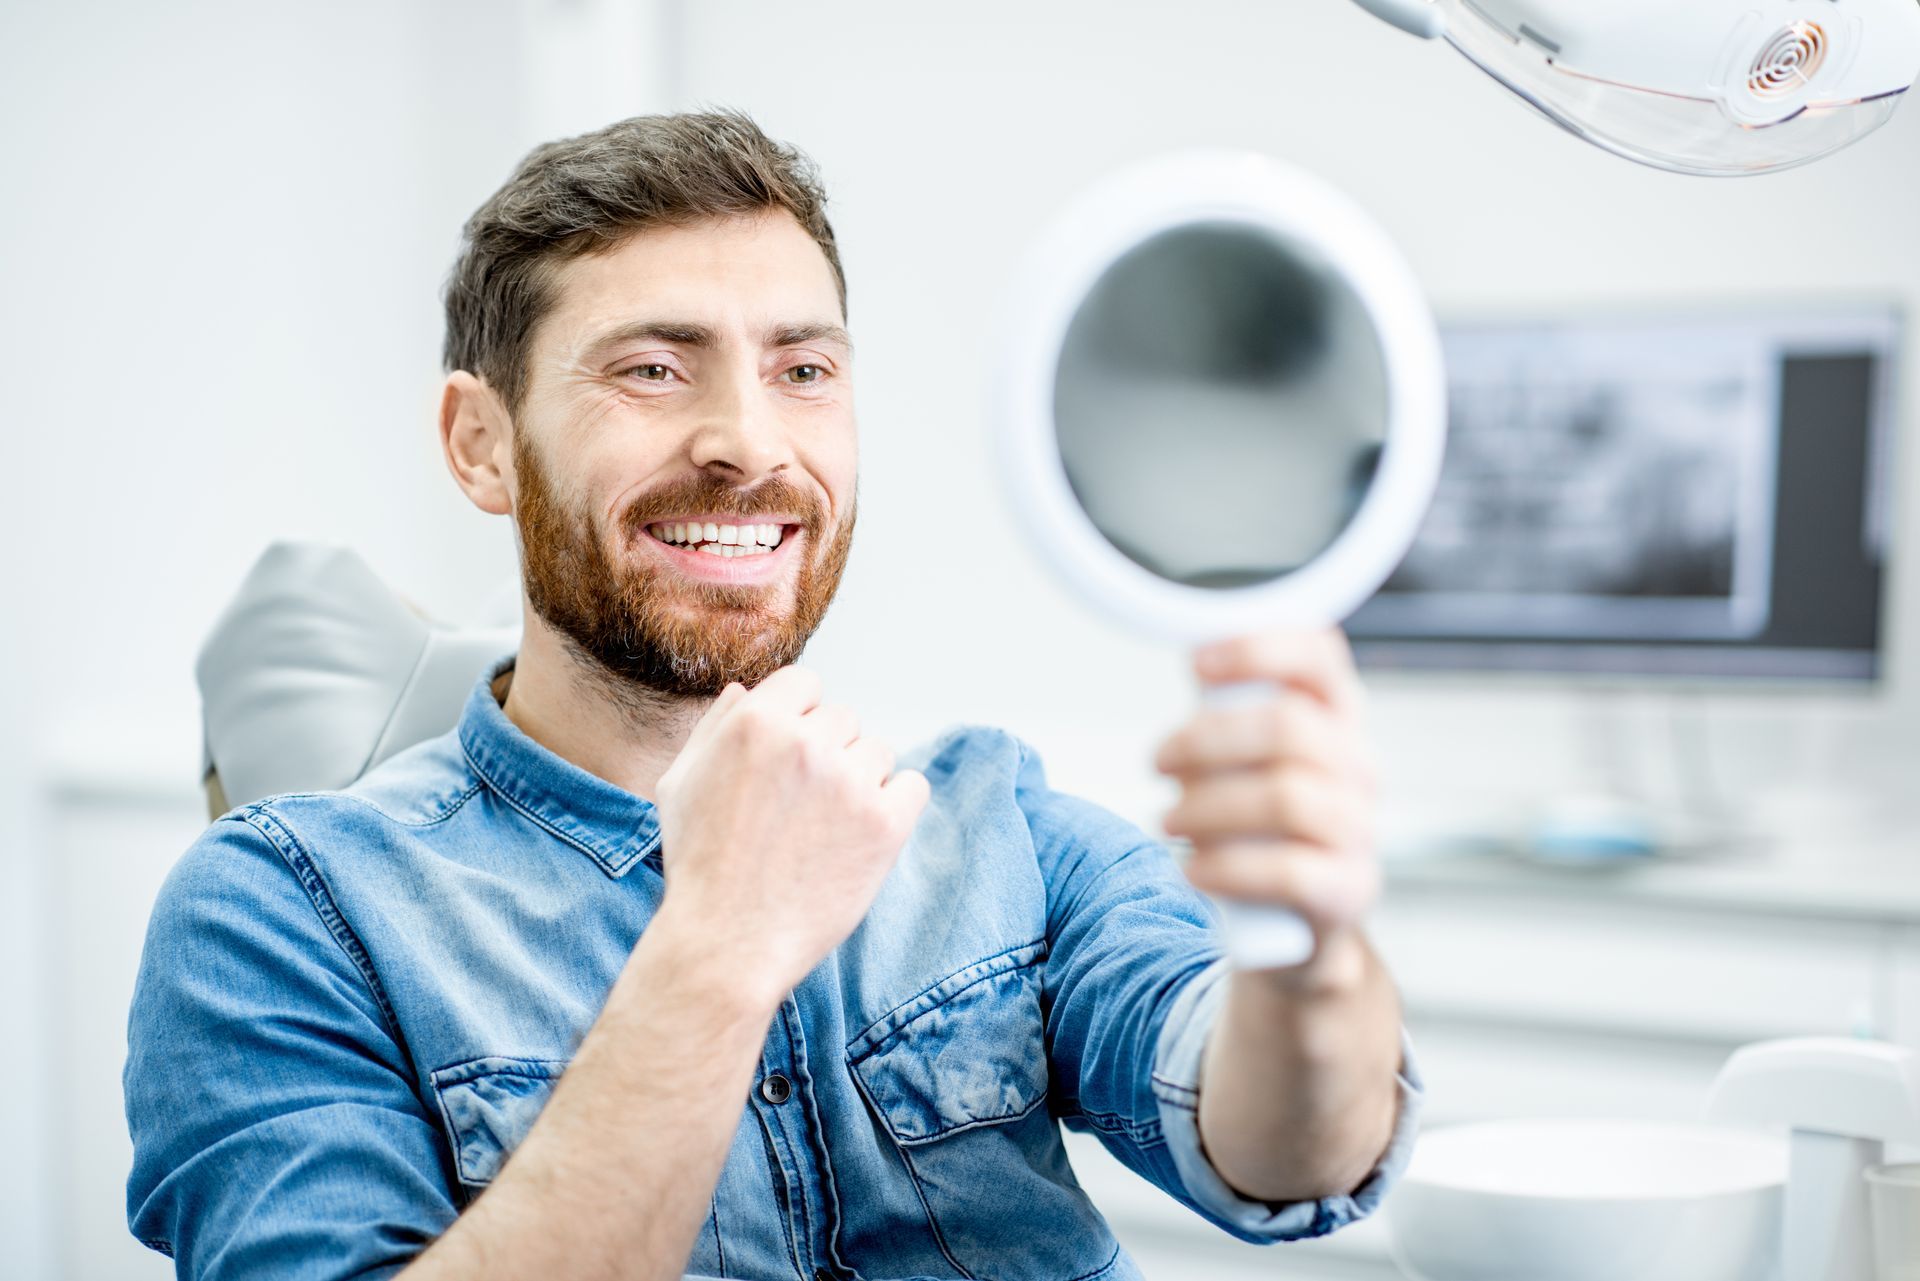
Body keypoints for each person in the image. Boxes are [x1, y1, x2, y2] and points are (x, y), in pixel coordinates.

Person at [124, 110, 1423, 1281]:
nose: (750, 441)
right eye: (652, 368)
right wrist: (717, 950)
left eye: (804, 370)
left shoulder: (995, 822)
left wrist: (1302, 953)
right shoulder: (280, 914)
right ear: (482, 442)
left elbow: (1288, 1152)